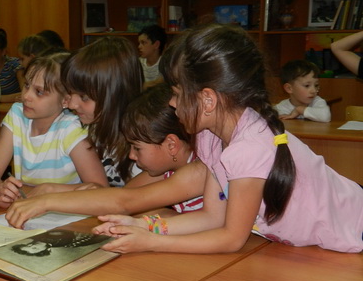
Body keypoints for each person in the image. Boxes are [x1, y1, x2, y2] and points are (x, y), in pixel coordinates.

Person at [93, 23, 363, 254]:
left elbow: (232, 238)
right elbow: (213, 217)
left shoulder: (248, 148)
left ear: (208, 100)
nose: (172, 104)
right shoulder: (210, 136)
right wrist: (143, 225)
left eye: (176, 94)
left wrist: (151, 242)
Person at [5, 85, 205, 229]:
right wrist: (57, 191)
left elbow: (124, 203)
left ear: (171, 145)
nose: (132, 155)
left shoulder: (197, 170)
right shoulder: (167, 170)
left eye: (137, 148)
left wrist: (46, 202)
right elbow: (121, 197)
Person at [0, 52, 108, 210]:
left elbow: (101, 189)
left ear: (65, 100)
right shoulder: (17, 115)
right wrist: (0, 190)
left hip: (66, 214)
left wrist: (49, 191)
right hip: (28, 209)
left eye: (39, 92)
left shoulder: (71, 129)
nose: (26, 96)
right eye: (26, 85)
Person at [62, 36, 143, 186]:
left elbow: (132, 197)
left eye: (84, 97)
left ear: (116, 95)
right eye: (70, 92)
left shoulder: (144, 141)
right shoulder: (86, 125)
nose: (72, 105)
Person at [11, 230, 110, 256]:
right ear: (47, 249)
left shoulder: (33, 234)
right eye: (34, 248)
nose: (32, 245)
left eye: (27, 245)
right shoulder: (69, 243)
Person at [137, 24, 167, 88]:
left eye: (143, 43)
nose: (139, 47)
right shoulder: (137, 63)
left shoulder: (166, 64)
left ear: (156, 45)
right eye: (139, 43)